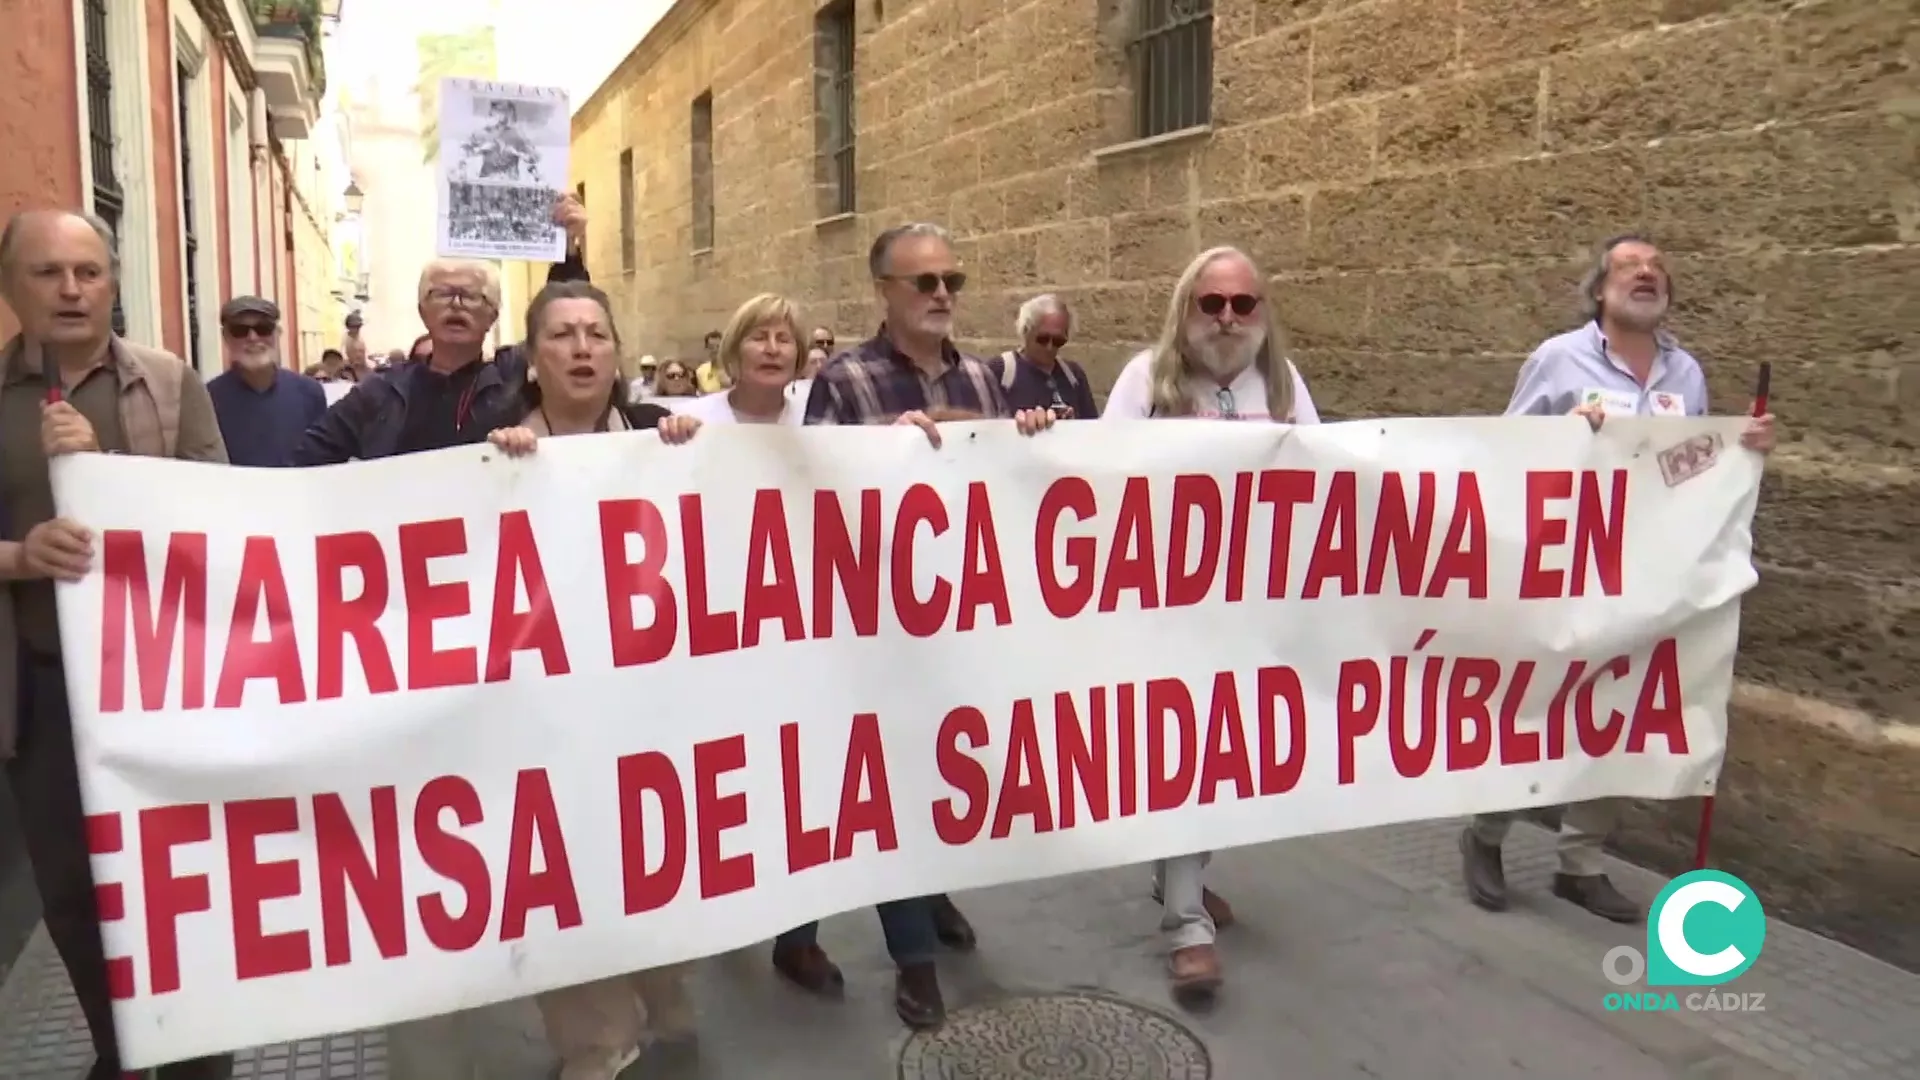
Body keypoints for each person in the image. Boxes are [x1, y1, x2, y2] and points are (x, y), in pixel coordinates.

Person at [1461, 234, 1777, 925]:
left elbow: (1688, 466)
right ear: (1600, 289)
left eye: (1658, 268)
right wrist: (1567, 436)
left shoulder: (1684, 373)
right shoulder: (1558, 358)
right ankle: (1486, 835)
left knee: (1617, 713)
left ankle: (1581, 863)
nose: (1648, 274)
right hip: (1565, 568)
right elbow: (1504, 450)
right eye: (1631, 266)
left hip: (1642, 572)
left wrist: (1739, 450)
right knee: (1536, 705)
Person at [787, 221, 1054, 1030]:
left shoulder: (983, 374)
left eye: (953, 282)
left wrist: (1030, 438)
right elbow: (804, 492)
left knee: (944, 774)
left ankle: (926, 894)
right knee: (890, 787)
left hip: (960, 626)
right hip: (873, 630)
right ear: (884, 293)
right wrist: (877, 451)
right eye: (925, 283)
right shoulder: (846, 378)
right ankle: (913, 961)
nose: (942, 295)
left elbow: (1005, 489)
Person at [0, 208, 231, 1080]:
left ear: (113, 282)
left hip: (163, 691)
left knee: (186, 885)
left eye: (88, 272)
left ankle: (201, 1055)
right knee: (71, 895)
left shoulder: (169, 384)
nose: (70, 290)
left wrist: (108, 477)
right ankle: (118, 1050)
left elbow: (220, 520)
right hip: (44, 693)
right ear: (11, 287)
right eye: (48, 272)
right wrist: (22, 556)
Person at [482, 281, 698, 1079]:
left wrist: (686, 452)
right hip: (544, 715)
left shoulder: (660, 437)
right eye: (563, 335)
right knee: (565, 876)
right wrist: (492, 476)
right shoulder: (484, 450)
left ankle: (661, 993)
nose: (582, 348)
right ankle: (593, 1041)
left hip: (647, 712)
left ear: (616, 353)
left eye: (596, 334)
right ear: (533, 359)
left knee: (647, 866)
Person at [1103, 245, 1312, 1002]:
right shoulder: (1144, 382)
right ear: (1185, 308)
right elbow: (1096, 483)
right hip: (1167, 610)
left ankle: (1182, 875)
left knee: (1226, 755)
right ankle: (1188, 925)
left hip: (1253, 612)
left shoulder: (1284, 386)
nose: (1227, 319)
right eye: (1211, 303)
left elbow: (1328, 482)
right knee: (1179, 758)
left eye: (1243, 305)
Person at [293, 260, 520, 464]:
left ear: (492, 316)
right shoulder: (381, 391)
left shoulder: (513, 385)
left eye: (470, 296)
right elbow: (307, 457)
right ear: (422, 311)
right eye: (442, 293)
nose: (456, 304)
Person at [205, 297, 329, 467]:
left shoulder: (310, 393)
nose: (253, 337)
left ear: (277, 333)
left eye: (263, 329)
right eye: (240, 330)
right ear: (226, 336)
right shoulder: (207, 400)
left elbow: (323, 458)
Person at [676, 294, 807, 426]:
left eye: (783, 339)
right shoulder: (689, 418)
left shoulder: (813, 423)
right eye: (759, 338)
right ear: (734, 350)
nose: (772, 350)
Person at [991, 293, 1099, 418]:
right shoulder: (1000, 371)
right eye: (1043, 339)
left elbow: (1091, 426)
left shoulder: (1073, 375)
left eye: (1058, 341)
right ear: (1026, 331)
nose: (1050, 347)